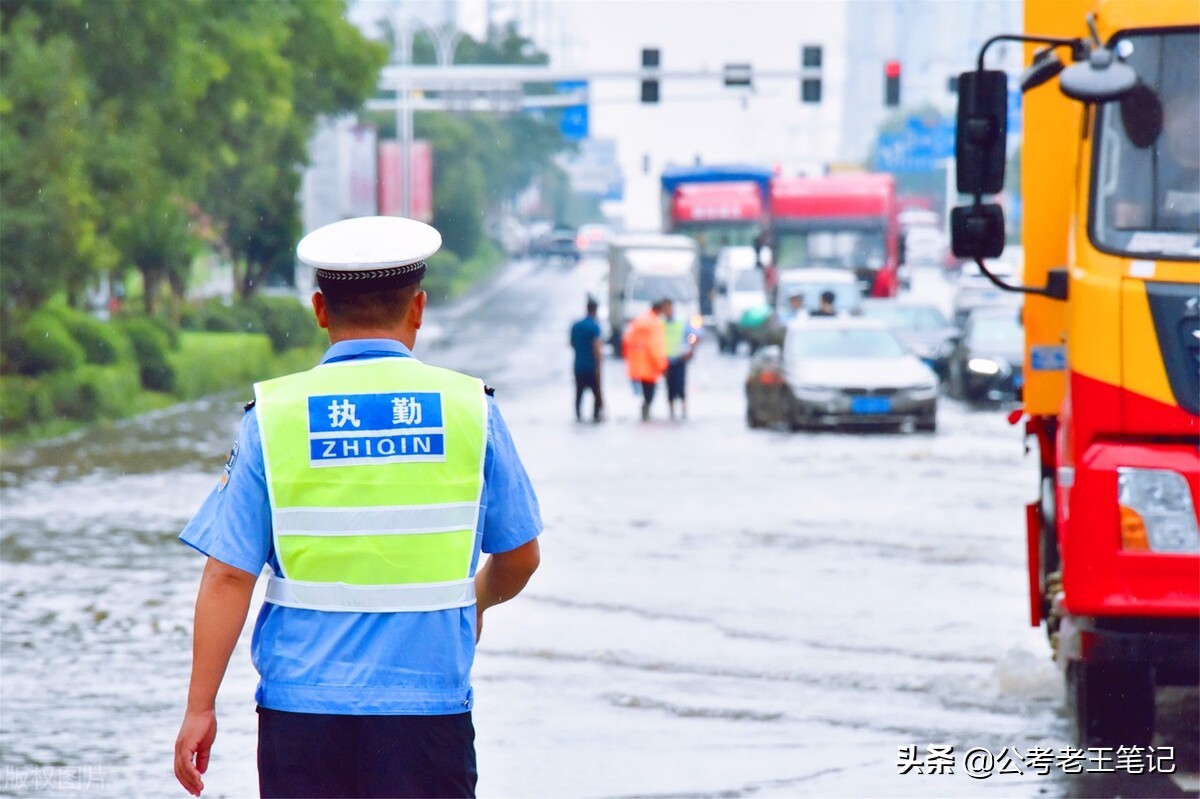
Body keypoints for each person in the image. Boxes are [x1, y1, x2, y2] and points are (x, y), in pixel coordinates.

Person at [173, 216, 543, 799]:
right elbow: (521, 557)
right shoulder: (472, 409)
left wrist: (200, 707)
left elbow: (226, 575)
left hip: (302, 715)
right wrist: (472, 604)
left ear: (319, 310)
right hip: (429, 711)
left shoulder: (273, 416)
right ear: (417, 308)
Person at [621, 299, 668, 421]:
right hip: (650, 366)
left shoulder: (639, 320)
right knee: (650, 392)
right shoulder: (655, 324)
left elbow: (626, 341)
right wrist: (662, 365)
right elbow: (655, 347)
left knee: (645, 391)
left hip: (636, 365)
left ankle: (645, 412)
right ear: (659, 310)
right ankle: (646, 414)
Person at [661, 299, 700, 421]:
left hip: (679, 359)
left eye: (669, 308)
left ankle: (684, 412)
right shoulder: (660, 323)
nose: (667, 311)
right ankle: (671, 413)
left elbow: (694, 335)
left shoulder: (681, 322)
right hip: (666, 360)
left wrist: (690, 351)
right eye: (665, 308)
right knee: (669, 387)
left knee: (681, 386)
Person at [569, 295, 605, 422]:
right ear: (595, 311)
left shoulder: (576, 326)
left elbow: (571, 344)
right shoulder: (594, 327)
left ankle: (578, 416)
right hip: (591, 367)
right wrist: (599, 366)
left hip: (578, 366)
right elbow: (597, 348)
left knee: (579, 393)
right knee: (596, 394)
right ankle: (595, 417)